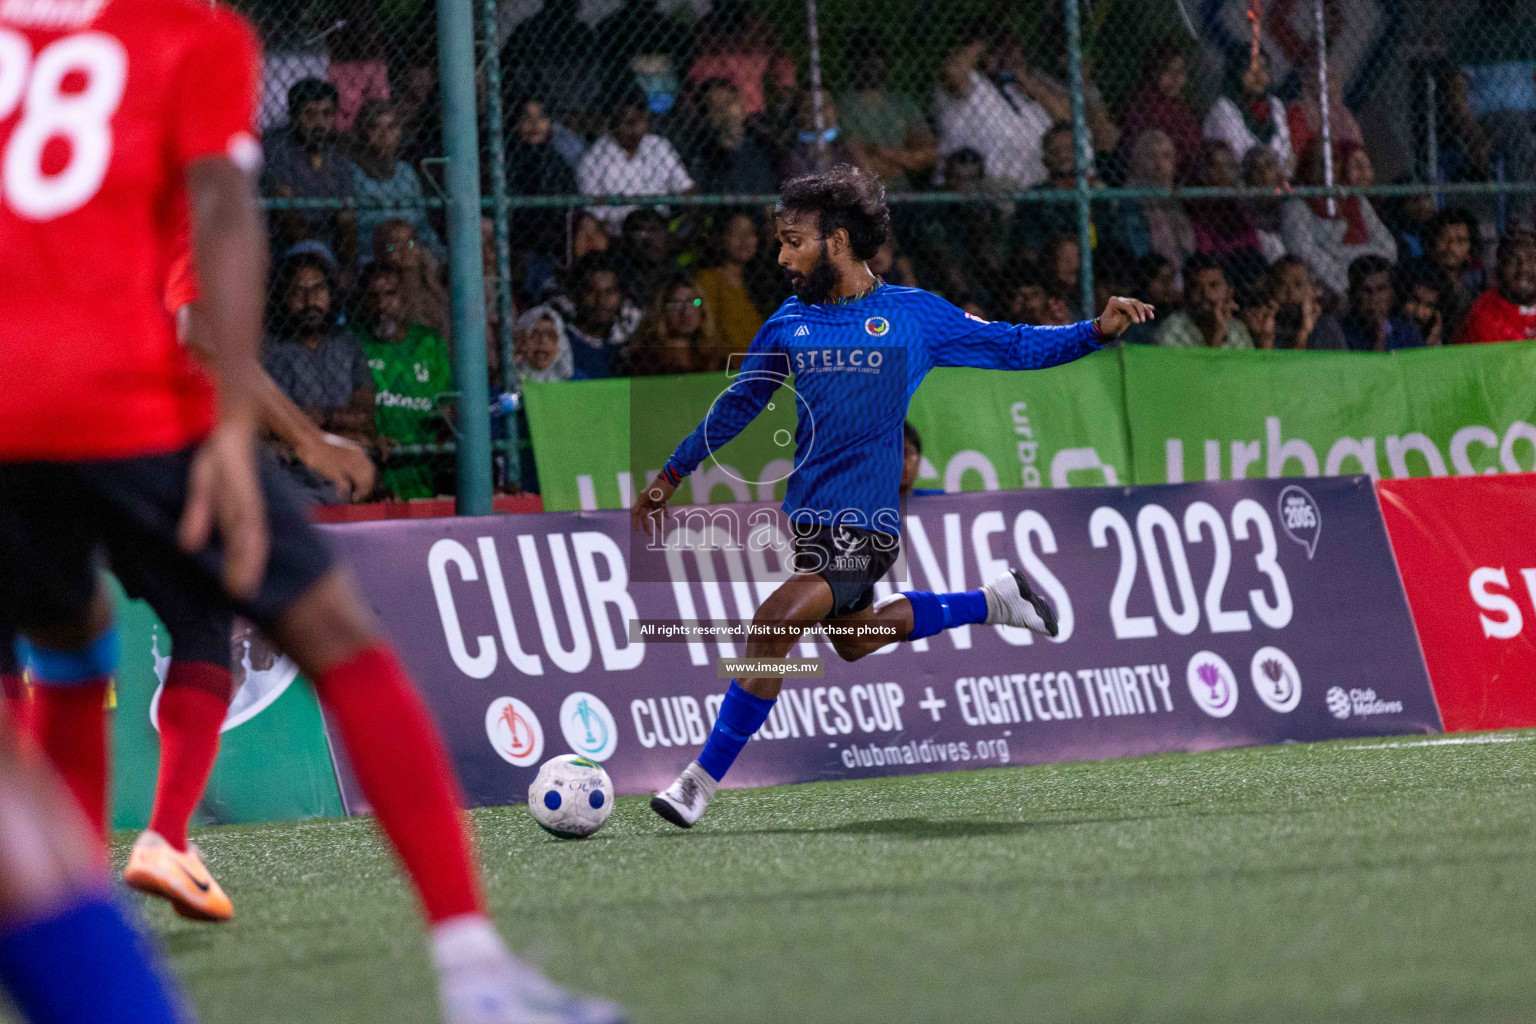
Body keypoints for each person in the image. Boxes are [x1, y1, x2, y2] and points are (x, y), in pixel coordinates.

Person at [0, 2, 624, 1022]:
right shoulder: (187, 34)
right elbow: (223, 222)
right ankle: (477, 974)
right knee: (338, 636)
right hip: (126, 401)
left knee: (69, 639)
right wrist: (251, 434)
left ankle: (108, 897)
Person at [633, 164, 1153, 828]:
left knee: (770, 626)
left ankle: (696, 782)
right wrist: (670, 476)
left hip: (866, 528)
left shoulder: (913, 317)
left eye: (794, 241)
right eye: (781, 242)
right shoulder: (788, 322)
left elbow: (1013, 346)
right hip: (810, 527)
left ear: (839, 241)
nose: (783, 255)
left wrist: (1096, 330)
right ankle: (996, 600)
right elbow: (740, 404)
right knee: (853, 641)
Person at [262, 255, 379, 495]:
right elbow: (264, 427)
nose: (310, 301)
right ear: (283, 297)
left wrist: (313, 420)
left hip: (344, 463)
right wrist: (338, 427)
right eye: (298, 292)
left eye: (318, 289)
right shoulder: (269, 349)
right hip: (293, 472)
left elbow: (364, 416)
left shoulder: (347, 343)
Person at [353, 264, 454, 499]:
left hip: (424, 466)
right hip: (375, 468)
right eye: (373, 296)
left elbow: (445, 407)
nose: (382, 305)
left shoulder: (429, 343)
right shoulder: (354, 343)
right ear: (362, 301)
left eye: (390, 294)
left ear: (405, 299)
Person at [934, 26, 1055, 188]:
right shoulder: (970, 84)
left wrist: (1025, 79)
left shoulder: (1019, 92)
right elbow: (954, 72)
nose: (1006, 55)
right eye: (997, 50)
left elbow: (1067, 119)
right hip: (981, 188)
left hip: (1034, 188)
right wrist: (985, 40)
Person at [262, 78, 359, 272]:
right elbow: (287, 215)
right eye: (310, 115)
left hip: (329, 243)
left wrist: (347, 265)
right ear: (294, 117)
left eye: (327, 114)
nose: (320, 123)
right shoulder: (279, 148)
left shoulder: (338, 156)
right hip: (284, 244)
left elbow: (346, 220)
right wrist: (319, 252)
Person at [1280, 140, 1396, 300]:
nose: (1327, 165)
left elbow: (1389, 249)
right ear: (1307, 164)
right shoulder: (1296, 207)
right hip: (1331, 290)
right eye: (1320, 160)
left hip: (1371, 282)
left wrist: (1338, 253)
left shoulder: (1355, 199)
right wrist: (1352, 276)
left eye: (1333, 158)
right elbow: (1307, 257)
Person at [577, 91, 695, 234]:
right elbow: (595, 216)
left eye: (639, 120)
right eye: (626, 122)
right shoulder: (593, 159)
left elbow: (685, 188)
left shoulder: (658, 145)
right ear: (612, 123)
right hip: (619, 235)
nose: (634, 129)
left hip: (660, 229)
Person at [910, 148, 1010, 313]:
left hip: (980, 279)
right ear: (947, 177)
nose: (964, 186)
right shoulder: (932, 206)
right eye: (957, 178)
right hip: (936, 279)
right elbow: (938, 253)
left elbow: (994, 255)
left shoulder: (987, 209)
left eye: (971, 179)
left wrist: (978, 226)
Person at [836, 33, 938, 187]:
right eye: (864, 56)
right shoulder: (841, 105)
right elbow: (855, 161)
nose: (871, 63)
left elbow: (928, 153)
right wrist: (902, 161)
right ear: (852, 62)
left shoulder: (901, 102)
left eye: (877, 56)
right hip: (859, 191)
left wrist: (884, 152)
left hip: (901, 191)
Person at [351, 100, 443, 268]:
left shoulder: (405, 172)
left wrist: (438, 254)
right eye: (375, 127)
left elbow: (422, 224)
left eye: (391, 127)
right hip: (371, 255)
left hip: (410, 250)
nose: (384, 135)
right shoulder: (353, 173)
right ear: (362, 132)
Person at [1113, 129, 1195, 278]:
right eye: (1151, 156)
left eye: (1166, 156)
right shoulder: (1130, 199)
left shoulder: (1174, 199)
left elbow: (1187, 246)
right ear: (1139, 160)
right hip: (1147, 274)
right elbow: (1136, 246)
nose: (1159, 164)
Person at [1203, 44, 1295, 177]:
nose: (1258, 76)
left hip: (1277, 181)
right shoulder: (1223, 108)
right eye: (1250, 69)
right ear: (1236, 71)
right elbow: (1237, 155)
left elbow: (1287, 155)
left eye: (1263, 69)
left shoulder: (1275, 105)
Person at [550, 252, 644, 378]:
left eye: (609, 292)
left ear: (620, 296)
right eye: (591, 291)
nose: (601, 300)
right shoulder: (559, 343)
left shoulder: (625, 345)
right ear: (576, 294)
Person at [1120, 43, 1203, 179]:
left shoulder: (1182, 109)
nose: (1175, 79)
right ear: (1154, 72)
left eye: (1180, 72)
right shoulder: (1144, 106)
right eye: (1169, 71)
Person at [695, 211, 770, 356]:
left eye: (750, 233)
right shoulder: (708, 281)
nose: (744, 240)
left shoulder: (762, 282)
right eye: (736, 233)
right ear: (721, 238)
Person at [687, 79, 778, 195]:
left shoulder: (762, 143)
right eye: (717, 109)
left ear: (742, 106)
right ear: (707, 116)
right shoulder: (705, 155)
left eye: (729, 102)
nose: (726, 112)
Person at [626, 276, 726, 375]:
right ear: (662, 311)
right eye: (675, 304)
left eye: (692, 302)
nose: (684, 312)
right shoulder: (645, 359)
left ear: (702, 309)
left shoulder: (714, 358)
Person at [1454, 229, 1536, 344]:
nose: (1523, 269)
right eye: (1513, 261)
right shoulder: (1483, 315)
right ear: (1500, 267)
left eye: (1531, 260)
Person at [1155, 254, 1254, 348]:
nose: (1206, 294)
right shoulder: (1173, 328)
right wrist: (1216, 337)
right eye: (1196, 287)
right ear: (1186, 293)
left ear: (1229, 292)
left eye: (1213, 285)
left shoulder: (1237, 329)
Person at [374, 218, 451, 338]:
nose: (405, 250)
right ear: (381, 253)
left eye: (410, 242)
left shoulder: (433, 277)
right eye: (393, 246)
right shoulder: (386, 288)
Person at [1339, 255, 1426, 351]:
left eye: (1381, 289)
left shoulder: (1407, 331)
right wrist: (1379, 338)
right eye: (1366, 291)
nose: (1374, 298)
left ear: (1392, 293)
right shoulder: (1340, 334)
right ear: (1353, 295)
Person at [1285, 54, 1363, 159]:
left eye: (1337, 78)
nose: (1336, 84)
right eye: (1329, 78)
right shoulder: (1297, 112)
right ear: (1311, 82)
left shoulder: (1344, 116)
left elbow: (1357, 150)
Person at [781, 88, 860, 182]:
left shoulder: (848, 147)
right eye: (810, 107)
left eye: (825, 105)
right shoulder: (793, 155)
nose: (820, 113)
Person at [1271, 255, 1348, 349]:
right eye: (1281, 285)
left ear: (1313, 291)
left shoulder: (1326, 327)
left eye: (1298, 285)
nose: (1291, 293)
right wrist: (1304, 332)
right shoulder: (1268, 324)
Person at [1397, 260, 1450, 347]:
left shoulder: (1438, 336)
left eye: (1429, 306)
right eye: (1414, 300)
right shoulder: (1386, 332)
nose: (1419, 313)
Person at [900, 422, 943, 497]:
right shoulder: (874, 504)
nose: (902, 462)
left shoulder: (941, 501)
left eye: (908, 453)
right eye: (894, 455)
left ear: (919, 459)